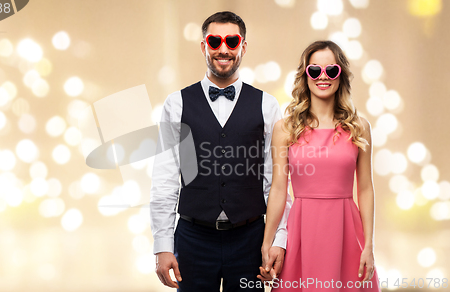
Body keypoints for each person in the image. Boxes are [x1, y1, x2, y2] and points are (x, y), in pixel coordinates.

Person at [150, 11, 292, 291]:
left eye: (232, 40)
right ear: (204, 46)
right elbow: (165, 178)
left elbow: (276, 183)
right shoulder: (176, 103)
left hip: (250, 238)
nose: (223, 49)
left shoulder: (267, 105)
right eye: (214, 41)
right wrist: (162, 245)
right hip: (192, 239)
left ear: (243, 46)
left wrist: (278, 239)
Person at [260, 40, 382, 291]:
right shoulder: (284, 129)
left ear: (341, 75)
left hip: (348, 232)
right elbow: (279, 190)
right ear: (305, 76)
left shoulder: (360, 127)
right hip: (301, 233)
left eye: (331, 70)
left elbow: (366, 189)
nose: (322, 77)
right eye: (314, 71)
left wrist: (369, 245)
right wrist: (267, 242)